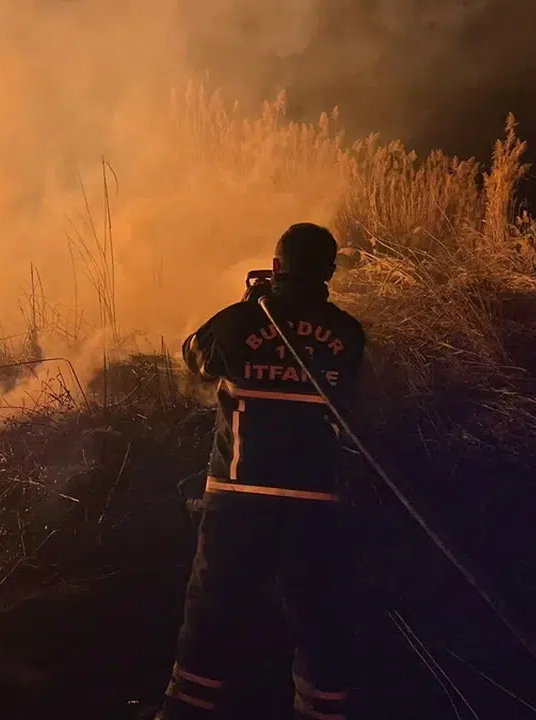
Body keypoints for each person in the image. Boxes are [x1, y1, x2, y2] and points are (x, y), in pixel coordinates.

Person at [153, 223, 368, 719]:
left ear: (275, 268)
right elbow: (355, 390)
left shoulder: (236, 323)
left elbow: (195, 358)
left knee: (210, 617)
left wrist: (254, 307)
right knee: (320, 621)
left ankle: (184, 714)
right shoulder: (348, 333)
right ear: (329, 272)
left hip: (238, 499)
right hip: (316, 503)